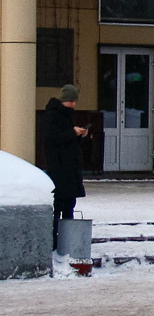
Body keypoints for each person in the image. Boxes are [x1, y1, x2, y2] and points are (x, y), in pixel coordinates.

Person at [42, 84, 88, 249]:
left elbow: (65, 141)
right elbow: (51, 140)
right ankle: (54, 243)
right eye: (71, 101)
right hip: (59, 169)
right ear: (64, 100)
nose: (73, 104)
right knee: (58, 207)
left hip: (69, 168)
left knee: (69, 205)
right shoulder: (51, 116)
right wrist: (72, 133)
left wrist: (79, 135)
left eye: (75, 101)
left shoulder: (67, 115)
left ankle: (66, 242)